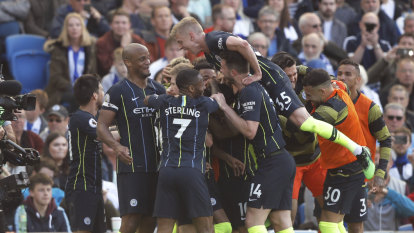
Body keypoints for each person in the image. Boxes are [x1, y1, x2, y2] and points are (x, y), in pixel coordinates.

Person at [171, 17, 374, 185]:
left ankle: (358, 150)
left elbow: (242, 44)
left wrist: (258, 72)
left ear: (191, 35)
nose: (180, 48)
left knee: (304, 122)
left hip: (271, 78)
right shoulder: (209, 50)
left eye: (180, 42)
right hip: (261, 84)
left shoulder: (213, 38)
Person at [211, 51, 295, 233]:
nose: (219, 70)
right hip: (281, 160)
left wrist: (224, 106)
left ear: (233, 72)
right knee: (280, 221)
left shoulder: (249, 91)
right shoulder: (251, 88)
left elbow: (250, 131)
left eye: (222, 67)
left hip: (271, 162)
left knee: (253, 223)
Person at [97, 43, 165, 233]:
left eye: (148, 57)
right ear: (128, 62)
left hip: (159, 166)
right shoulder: (118, 91)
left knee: (151, 221)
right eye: (142, 58)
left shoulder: (159, 90)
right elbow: (101, 126)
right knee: (131, 221)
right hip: (133, 167)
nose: (148, 62)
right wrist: (116, 147)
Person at [144, 68, 219, 233]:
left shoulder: (165, 101)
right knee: (206, 229)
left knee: (164, 228)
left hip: (167, 170)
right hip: (191, 170)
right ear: (191, 88)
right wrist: (214, 85)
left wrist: (169, 96)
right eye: (201, 83)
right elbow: (217, 102)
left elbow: (147, 100)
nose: (204, 85)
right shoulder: (204, 103)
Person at [302, 69, 372, 233]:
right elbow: (327, 78)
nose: (307, 98)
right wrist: (300, 70)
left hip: (345, 168)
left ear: (323, 91)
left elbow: (303, 126)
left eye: (309, 94)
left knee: (328, 224)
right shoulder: (339, 87)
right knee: (338, 222)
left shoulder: (330, 110)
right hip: (348, 165)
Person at [271, 52, 326, 224]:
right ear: (278, 75)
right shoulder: (267, 91)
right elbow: (297, 127)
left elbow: (327, 80)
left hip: (314, 157)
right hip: (290, 161)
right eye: (288, 76)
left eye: (295, 73)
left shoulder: (305, 76)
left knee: (330, 207)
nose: (293, 78)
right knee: (289, 213)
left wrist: (302, 69)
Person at [337, 59, 391, 233]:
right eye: (339, 73)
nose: (342, 77)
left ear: (358, 79)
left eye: (348, 74)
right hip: (332, 171)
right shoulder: (329, 103)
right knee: (328, 223)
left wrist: (380, 172)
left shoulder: (370, 108)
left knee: (355, 226)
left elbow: (386, 140)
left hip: (359, 174)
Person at [65, 74, 105, 233]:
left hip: (93, 186)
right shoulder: (81, 117)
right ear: (94, 95)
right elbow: (105, 135)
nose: (104, 93)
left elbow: (106, 132)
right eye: (101, 89)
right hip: (81, 186)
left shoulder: (89, 119)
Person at [44, 12, 97, 109]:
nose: (74, 28)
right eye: (70, 25)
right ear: (66, 29)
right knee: (77, 98)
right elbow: (55, 77)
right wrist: (74, 87)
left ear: (82, 28)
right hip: (63, 90)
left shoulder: (89, 49)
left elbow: (93, 73)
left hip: (85, 89)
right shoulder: (58, 49)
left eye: (78, 25)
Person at [96, 9, 151, 77]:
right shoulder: (102, 42)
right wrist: (123, 48)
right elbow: (107, 68)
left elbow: (147, 62)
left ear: (129, 25)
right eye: (117, 23)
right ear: (111, 25)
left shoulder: (138, 41)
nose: (120, 26)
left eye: (124, 23)